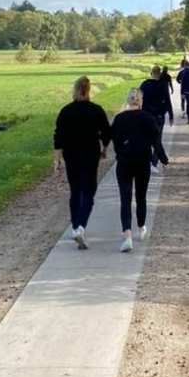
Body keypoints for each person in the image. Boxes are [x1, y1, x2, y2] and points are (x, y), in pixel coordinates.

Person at [52, 75, 111, 249]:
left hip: (71, 154)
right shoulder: (96, 110)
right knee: (89, 192)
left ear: (75, 90)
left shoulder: (66, 111)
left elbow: (59, 135)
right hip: (90, 154)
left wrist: (57, 158)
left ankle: (75, 225)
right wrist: (104, 148)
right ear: (89, 89)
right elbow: (107, 132)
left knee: (75, 191)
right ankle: (81, 227)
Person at [110, 89, 169, 252]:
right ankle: (141, 226)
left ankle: (127, 234)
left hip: (124, 162)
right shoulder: (148, 118)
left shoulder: (120, 119)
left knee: (125, 198)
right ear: (140, 101)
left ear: (128, 101)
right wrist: (164, 160)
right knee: (141, 196)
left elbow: (114, 139)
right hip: (142, 162)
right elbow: (156, 142)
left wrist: (120, 151)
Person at [139, 65, 175, 163]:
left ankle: (150, 158)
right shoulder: (163, 85)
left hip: (146, 115)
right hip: (159, 116)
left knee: (147, 138)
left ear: (151, 73)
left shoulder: (144, 84)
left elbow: (139, 100)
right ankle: (155, 161)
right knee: (157, 138)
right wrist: (171, 115)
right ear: (159, 74)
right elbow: (168, 100)